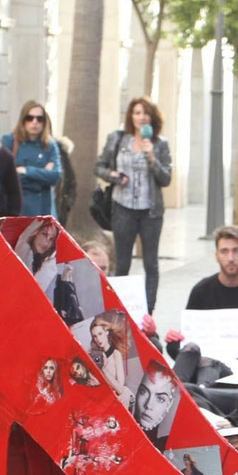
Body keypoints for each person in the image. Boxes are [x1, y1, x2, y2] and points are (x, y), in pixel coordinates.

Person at [162, 226, 238, 374]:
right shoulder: (201, 291)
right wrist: (174, 341)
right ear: (216, 255)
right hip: (209, 370)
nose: (230, 258)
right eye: (224, 251)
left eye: (236, 251)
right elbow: (187, 346)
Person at [97, 96, 173, 313]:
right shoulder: (118, 139)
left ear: (152, 117)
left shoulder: (160, 144)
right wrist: (113, 176)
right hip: (123, 208)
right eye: (137, 112)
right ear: (131, 116)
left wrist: (151, 158)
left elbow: (166, 178)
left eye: (145, 113)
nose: (141, 117)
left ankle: (148, 315)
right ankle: (119, 311)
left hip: (150, 211)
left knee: (151, 264)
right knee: (122, 263)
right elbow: (99, 166)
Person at [0, 100, 62, 217]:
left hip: (44, 209)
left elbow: (55, 176)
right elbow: (6, 177)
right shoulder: (10, 141)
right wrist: (42, 176)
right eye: (30, 118)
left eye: (40, 119)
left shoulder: (50, 145)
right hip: (18, 209)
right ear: (23, 120)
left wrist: (26, 171)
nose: (35, 122)